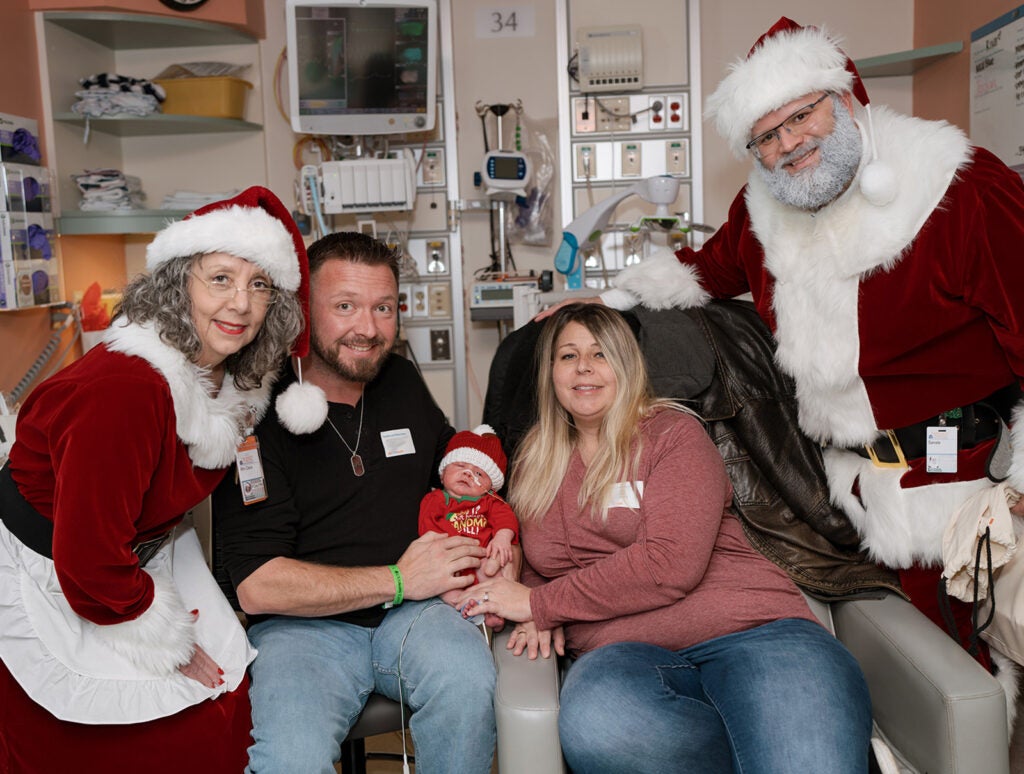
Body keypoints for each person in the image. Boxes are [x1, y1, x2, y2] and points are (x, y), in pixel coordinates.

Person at [554, 17, 1024, 681]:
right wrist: (602, 307)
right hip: (840, 490)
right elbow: (699, 273)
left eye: (802, 117)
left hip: (961, 482)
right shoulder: (764, 210)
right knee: (890, 676)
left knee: (963, 675)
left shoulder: (961, 189)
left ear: (844, 99)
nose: (788, 144)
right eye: (766, 136)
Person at [459, 303, 873, 773]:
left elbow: (670, 564)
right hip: (621, 657)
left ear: (629, 365)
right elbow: (540, 561)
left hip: (753, 633)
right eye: (568, 356)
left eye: (601, 353)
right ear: (550, 372)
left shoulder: (673, 432)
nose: (585, 368)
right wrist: (533, 598)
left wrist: (541, 605)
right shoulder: (535, 457)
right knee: (601, 725)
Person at [0, 186, 308, 773]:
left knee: (229, 706)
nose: (241, 303)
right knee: (164, 737)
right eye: (220, 278)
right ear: (177, 284)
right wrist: (168, 642)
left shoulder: (230, 380)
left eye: (259, 284)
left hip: (140, 551)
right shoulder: (126, 392)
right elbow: (86, 554)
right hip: (57, 570)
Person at [212, 230, 497, 774]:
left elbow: (455, 471)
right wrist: (397, 579)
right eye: (345, 306)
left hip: (416, 615)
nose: (367, 328)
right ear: (301, 312)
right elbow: (258, 585)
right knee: (290, 761)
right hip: (303, 630)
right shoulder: (254, 412)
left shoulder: (400, 379)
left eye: (383, 308)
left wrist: (496, 532)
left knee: (469, 684)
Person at [419, 424, 519, 608]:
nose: (468, 473)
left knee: (495, 572)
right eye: (460, 465)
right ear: (442, 475)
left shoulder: (490, 501)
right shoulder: (434, 500)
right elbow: (427, 529)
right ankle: (460, 604)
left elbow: (506, 518)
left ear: (490, 487)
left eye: (479, 473)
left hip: (482, 556)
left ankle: (492, 611)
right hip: (450, 560)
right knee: (444, 586)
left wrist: (502, 538)